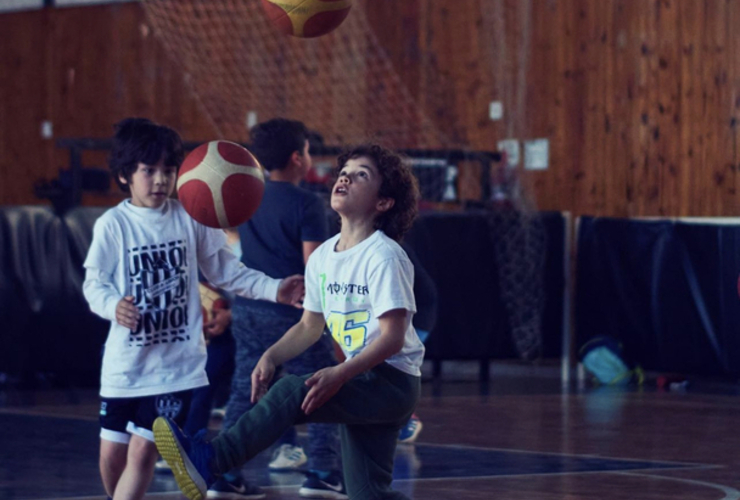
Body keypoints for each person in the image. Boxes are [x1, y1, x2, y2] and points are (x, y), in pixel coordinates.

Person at [154, 143, 425, 500]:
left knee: (294, 389)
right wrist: (271, 356)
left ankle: (214, 460)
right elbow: (309, 326)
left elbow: (392, 338)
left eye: (362, 175)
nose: (345, 177)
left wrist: (339, 374)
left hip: (391, 383)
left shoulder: (385, 256)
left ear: (384, 202)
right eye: (344, 172)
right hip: (363, 378)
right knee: (368, 494)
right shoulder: (324, 256)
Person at [82, 118, 304, 500]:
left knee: (142, 452)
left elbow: (227, 271)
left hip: (176, 368)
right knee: (112, 456)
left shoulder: (191, 217)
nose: (159, 180)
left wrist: (274, 288)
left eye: (168, 171)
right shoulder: (113, 225)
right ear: (124, 176)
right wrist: (112, 305)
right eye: (148, 170)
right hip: (125, 366)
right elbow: (93, 284)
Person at [209, 118, 343, 499]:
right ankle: (321, 472)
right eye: (308, 150)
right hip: (293, 313)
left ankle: (222, 472)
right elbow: (312, 265)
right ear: (298, 157)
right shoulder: (307, 203)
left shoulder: (250, 195)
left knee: (242, 391)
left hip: (249, 308)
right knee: (318, 389)